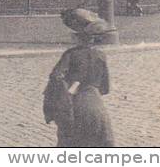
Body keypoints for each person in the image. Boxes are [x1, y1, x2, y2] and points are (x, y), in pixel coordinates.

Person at [44, 9, 115, 147]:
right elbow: (105, 88)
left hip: (74, 108)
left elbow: (55, 77)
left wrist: (68, 90)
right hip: (97, 108)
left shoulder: (70, 54)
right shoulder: (101, 55)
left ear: (76, 37)